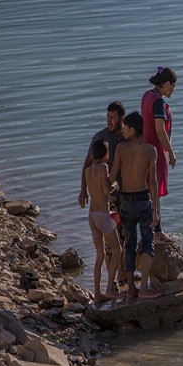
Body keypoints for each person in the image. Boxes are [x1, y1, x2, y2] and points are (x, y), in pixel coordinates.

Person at [109, 111, 161, 299]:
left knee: (129, 244)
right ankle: (144, 288)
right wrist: (155, 210)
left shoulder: (121, 148)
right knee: (148, 242)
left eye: (124, 128)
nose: (122, 131)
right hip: (143, 199)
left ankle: (131, 288)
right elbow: (153, 182)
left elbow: (113, 176)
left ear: (132, 129)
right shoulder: (150, 150)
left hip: (126, 200)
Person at [79, 101, 127, 280]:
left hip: (127, 194)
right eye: (107, 117)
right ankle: (113, 279)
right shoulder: (101, 138)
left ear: (122, 118)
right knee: (111, 242)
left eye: (112, 118)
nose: (109, 121)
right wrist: (83, 191)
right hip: (110, 199)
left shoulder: (128, 135)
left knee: (126, 236)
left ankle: (123, 275)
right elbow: (87, 164)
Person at [141, 66, 178, 244]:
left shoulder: (147, 96)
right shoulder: (158, 102)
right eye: (172, 86)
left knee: (149, 191)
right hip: (156, 151)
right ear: (166, 84)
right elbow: (160, 130)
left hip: (144, 150)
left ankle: (151, 228)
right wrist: (171, 152)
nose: (173, 90)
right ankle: (157, 232)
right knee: (155, 192)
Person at [84, 140, 122, 303]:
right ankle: (109, 289)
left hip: (92, 216)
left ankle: (98, 293)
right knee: (117, 250)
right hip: (102, 216)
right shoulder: (103, 168)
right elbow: (106, 190)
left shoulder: (88, 171)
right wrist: (115, 184)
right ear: (106, 155)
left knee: (100, 255)